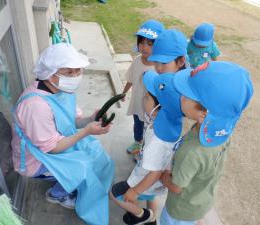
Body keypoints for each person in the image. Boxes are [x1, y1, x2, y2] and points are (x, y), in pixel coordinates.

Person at [11, 43, 114, 225]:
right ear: (50, 73)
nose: (75, 76)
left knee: (97, 154)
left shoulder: (62, 90)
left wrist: (91, 118)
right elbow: (51, 148)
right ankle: (57, 194)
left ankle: (70, 185)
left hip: (55, 142)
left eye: (77, 71)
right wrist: (86, 131)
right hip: (36, 158)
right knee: (84, 167)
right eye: (69, 72)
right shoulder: (35, 106)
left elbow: (71, 121)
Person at [160, 61, 253, 225]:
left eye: (186, 95)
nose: (181, 96)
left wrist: (162, 176)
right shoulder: (222, 133)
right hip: (203, 200)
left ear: (204, 115)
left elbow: (176, 187)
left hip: (180, 211)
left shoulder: (191, 152)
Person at [110, 29, 188, 225]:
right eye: (157, 62)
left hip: (146, 178)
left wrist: (135, 190)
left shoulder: (158, 136)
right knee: (151, 196)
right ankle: (152, 220)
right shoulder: (169, 115)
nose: (159, 68)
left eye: (146, 97)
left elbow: (155, 171)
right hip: (155, 176)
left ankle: (145, 216)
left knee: (117, 194)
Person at [122, 19, 165, 155]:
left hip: (151, 108)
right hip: (136, 102)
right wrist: (124, 93)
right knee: (137, 124)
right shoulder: (136, 61)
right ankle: (138, 142)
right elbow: (130, 79)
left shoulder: (159, 67)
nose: (144, 47)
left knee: (149, 128)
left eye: (150, 44)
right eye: (141, 42)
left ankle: (146, 148)